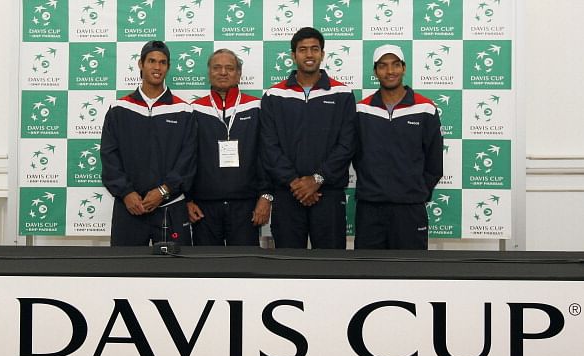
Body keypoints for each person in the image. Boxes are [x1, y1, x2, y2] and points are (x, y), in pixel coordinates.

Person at [260, 27, 356, 249]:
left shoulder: (342, 93)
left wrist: (317, 179)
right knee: (287, 269)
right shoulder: (274, 95)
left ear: (323, 54)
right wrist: (295, 183)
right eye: (303, 50)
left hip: (328, 195)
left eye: (315, 49)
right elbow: (269, 145)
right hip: (287, 194)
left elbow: (347, 144)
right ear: (293, 55)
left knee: (331, 268)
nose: (309, 55)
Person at [100, 40, 196, 246]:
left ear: (168, 67)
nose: (157, 67)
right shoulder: (119, 109)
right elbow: (109, 157)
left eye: (162, 62)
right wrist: (126, 193)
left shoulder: (183, 110)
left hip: (171, 207)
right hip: (130, 208)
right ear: (140, 64)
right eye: (151, 61)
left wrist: (163, 191)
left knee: (176, 273)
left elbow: (188, 159)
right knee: (125, 274)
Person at [354, 44, 443, 250]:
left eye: (395, 65)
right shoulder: (362, 109)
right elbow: (356, 156)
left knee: (411, 274)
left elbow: (434, 161)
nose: (390, 71)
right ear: (375, 71)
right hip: (370, 208)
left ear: (404, 68)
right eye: (383, 66)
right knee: (367, 274)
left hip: (410, 209)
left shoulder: (425, 108)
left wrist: (414, 192)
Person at [187, 49, 272, 246]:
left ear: (239, 74)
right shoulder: (193, 110)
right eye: (217, 67)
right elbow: (186, 158)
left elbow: (267, 154)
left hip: (246, 206)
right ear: (209, 72)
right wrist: (187, 200)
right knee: (206, 271)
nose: (223, 72)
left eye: (229, 68)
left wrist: (266, 196)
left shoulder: (257, 107)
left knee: (244, 269)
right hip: (203, 208)